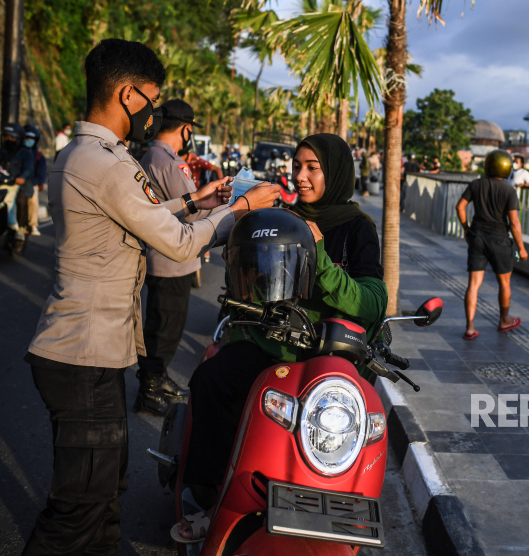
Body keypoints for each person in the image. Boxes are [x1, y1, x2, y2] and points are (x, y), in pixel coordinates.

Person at [21, 39, 282, 556]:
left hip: (88, 351)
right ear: (127, 94)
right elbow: (179, 241)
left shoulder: (87, 154)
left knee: (106, 493)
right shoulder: (106, 162)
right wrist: (241, 207)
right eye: (151, 100)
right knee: (80, 506)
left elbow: (144, 213)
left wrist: (195, 200)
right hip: (82, 353)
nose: (151, 113)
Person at [174, 132, 388, 541]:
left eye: (313, 168)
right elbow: (254, 285)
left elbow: (372, 301)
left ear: (337, 172)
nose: (301, 177)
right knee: (212, 381)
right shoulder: (283, 217)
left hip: (326, 357)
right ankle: (209, 496)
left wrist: (321, 259)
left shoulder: (358, 228)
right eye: (297, 168)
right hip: (270, 346)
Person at [132, 99, 214, 416]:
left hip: (166, 257)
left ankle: (157, 378)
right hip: (171, 260)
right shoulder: (168, 161)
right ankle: (149, 390)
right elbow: (190, 212)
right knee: (165, 327)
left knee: (163, 324)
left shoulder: (154, 155)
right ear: (186, 129)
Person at [455, 149, 528, 340]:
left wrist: (466, 228)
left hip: (477, 237)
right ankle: (504, 320)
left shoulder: (476, 184)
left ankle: (470, 327)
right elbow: (514, 222)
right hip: (500, 240)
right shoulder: (509, 190)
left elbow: (460, 206)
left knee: (473, 285)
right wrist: (521, 248)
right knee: (504, 283)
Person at [0, 123, 35, 236]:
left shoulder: (26, 153)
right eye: (7, 136)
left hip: (20, 185)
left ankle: (20, 228)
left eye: (12, 137)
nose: (9, 139)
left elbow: (29, 168)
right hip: (3, 183)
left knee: (21, 200)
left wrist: (21, 178)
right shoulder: (1, 151)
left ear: (19, 139)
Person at [23, 125, 48, 236]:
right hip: (15, 182)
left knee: (33, 199)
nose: (29, 141)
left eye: (32, 139)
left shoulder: (38, 156)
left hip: (31, 184)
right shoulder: (17, 153)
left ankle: (33, 224)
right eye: (27, 137)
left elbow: (41, 176)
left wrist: (34, 183)